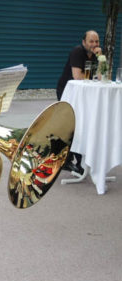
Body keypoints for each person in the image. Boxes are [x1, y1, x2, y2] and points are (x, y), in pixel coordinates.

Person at [56, 30, 103, 174]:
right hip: (68, 92)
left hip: (85, 95)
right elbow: (77, 77)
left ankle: (77, 160)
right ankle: (67, 160)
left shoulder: (97, 55)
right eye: (91, 41)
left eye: (97, 41)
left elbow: (101, 77)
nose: (94, 44)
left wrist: (101, 59)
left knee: (84, 124)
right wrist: (92, 76)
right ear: (84, 42)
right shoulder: (77, 52)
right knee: (72, 125)